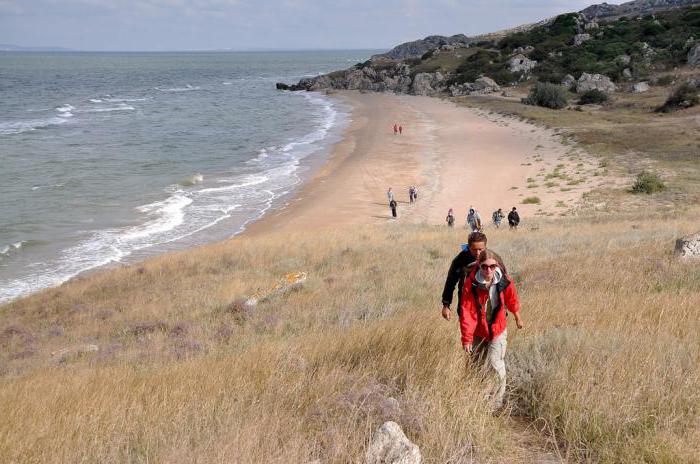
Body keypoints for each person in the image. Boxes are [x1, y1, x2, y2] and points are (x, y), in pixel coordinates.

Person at [460, 249, 523, 410]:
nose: (488, 270)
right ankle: (479, 398)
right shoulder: (471, 283)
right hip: (478, 332)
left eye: (492, 266)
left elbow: (511, 299)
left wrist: (517, 317)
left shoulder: (504, 280)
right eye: (484, 267)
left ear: (497, 266)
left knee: (496, 364)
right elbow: (468, 311)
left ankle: (495, 404)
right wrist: (467, 338)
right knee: (476, 366)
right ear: (478, 266)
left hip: (498, 329)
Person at [440, 231, 487, 321]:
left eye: (480, 249)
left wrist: (503, 308)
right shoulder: (460, 260)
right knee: (468, 334)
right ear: (469, 247)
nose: (477, 253)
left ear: (485, 247)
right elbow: (451, 282)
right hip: (466, 306)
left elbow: (501, 284)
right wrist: (446, 305)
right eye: (474, 249)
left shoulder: (491, 259)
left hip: (487, 308)